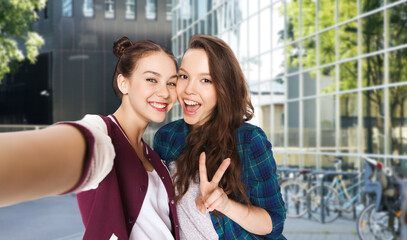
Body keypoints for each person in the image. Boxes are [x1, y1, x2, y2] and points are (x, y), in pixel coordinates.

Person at [0, 37, 180, 240]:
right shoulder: (103, 134)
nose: (165, 92)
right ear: (124, 83)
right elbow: (74, 148)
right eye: (152, 79)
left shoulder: (156, 158)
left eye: (171, 82)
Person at [154, 34, 286, 239]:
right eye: (184, 76)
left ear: (223, 88)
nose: (189, 89)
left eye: (205, 80)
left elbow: (274, 222)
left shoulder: (249, 141)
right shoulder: (166, 137)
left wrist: (225, 205)